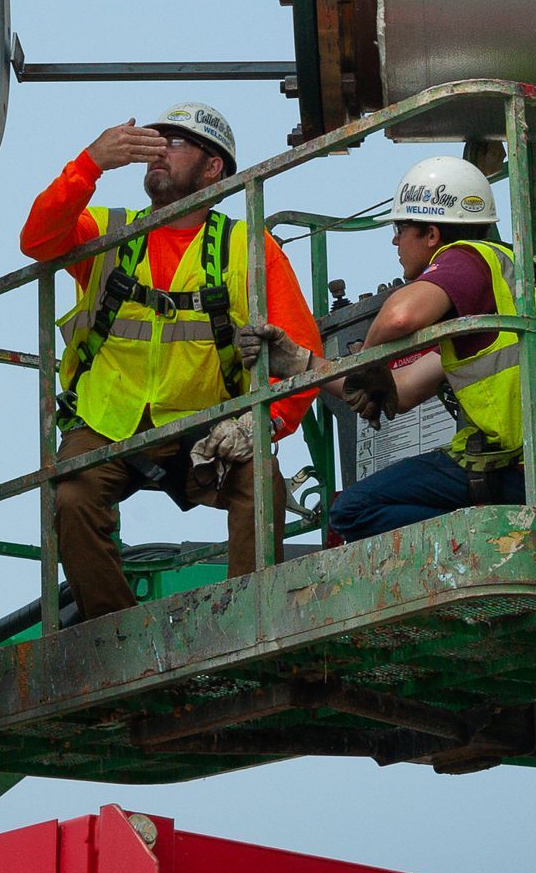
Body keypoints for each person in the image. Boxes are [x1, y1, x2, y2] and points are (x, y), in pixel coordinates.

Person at [21, 102, 322, 620]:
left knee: (262, 482)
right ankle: (116, 632)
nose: (157, 152)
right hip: (106, 419)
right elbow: (38, 239)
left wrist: (266, 422)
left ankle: (249, 621)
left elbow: (300, 352)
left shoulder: (248, 248)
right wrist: (91, 162)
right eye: (153, 143)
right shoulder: (109, 232)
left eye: (175, 143)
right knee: (71, 496)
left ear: (213, 168)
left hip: (201, 427)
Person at [239, 154, 536, 543]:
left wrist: (365, 360)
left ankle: (483, 553)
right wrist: (302, 363)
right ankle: (491, 545)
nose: (394, 240)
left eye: (400, 228)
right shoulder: (508, 292)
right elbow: (401, 392)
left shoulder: (468, 258)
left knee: (352, 512)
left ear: (431, 235)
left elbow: (400, 317)